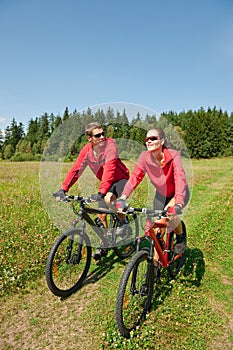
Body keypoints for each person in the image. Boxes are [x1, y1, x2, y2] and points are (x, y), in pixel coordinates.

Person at [54, 121, 130, 260]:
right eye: (97, 135)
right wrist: (63, 189)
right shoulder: (87, 151)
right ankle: (103, 244)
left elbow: (110, 169)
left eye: (103, 134)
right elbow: (77, 169)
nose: (102, 137)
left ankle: (123, 222)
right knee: (101, 216)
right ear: (89, 138)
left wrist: (102, 192)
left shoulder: (110, 146)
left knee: (108, 199)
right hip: (106, 183)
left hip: (121, 179)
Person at [116, 127, 190, 259]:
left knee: (170, 216)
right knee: (156, 229)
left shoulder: (173, 155)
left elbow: (180, 178)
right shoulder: (144, 157)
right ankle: (156, 264)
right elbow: (135, 178)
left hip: (178, 193)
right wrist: (123, 197)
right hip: (161, 194)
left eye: (153, 138)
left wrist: (178, 203)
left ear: (162, 141)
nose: (149, 141)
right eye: (147, 139)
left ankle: (180, 237)